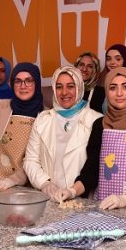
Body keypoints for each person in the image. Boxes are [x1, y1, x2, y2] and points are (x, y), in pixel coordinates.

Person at [62, 67, 126, 208]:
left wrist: (125, 199)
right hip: (104, 205)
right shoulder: (99, 125)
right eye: (112, 88)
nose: (119, 93)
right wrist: (72, 191)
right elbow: (92, 170)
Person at [23, 66, 102, 202]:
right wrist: (44, 183)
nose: (64, 92)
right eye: (59, 87)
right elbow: (30, 160)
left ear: (79, 88)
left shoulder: (96, 120)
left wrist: (73, 190)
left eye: (70, 86)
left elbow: (96, 168)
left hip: (82, 201)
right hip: (50, 199)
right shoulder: (43, 119)